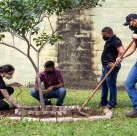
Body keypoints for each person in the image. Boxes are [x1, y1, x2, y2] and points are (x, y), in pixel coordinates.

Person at [116, 14, 137, 117]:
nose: (129, 26)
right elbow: (132, 49)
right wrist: (121, 56)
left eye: (129, 23)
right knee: (129, 84)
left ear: (134, 20)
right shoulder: (135, 32)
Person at [100, 27, 125, 109]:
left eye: (104, 35)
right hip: (105, 66)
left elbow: (122, 51)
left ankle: (112, 103)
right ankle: (103, 102)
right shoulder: (109, 40)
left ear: (110, 33)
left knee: (111, 85)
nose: (103, 37)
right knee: (103, 84)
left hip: (111, 67)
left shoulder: (116, 40)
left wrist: (115, 63)